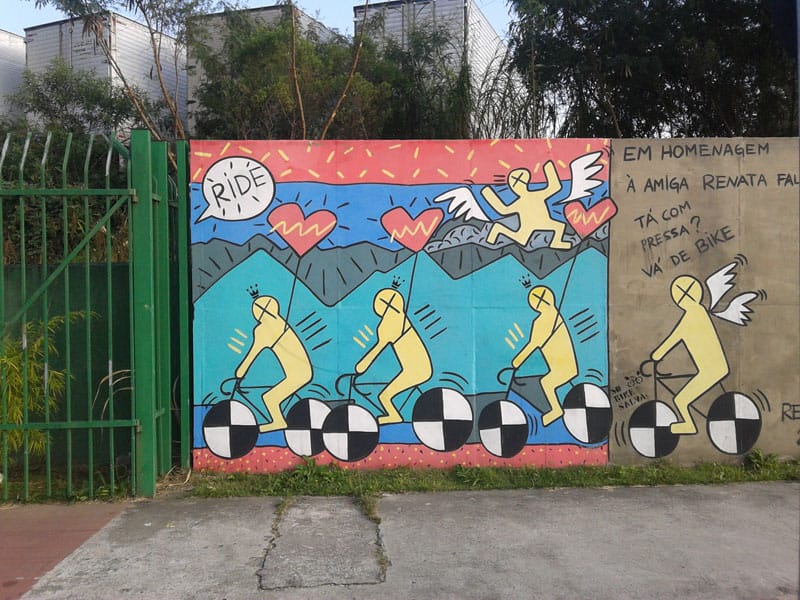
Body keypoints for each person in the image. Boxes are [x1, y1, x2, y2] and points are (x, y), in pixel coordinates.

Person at [651, 275, 729, 435]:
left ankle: (689, 425)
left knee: (680, 399)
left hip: (712, 371)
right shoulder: (700, 311)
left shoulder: (691, 316)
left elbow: (673, 338)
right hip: (715, 369)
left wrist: (656, 356)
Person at [235, 294, 312, 433]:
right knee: (270, 395)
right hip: (303, 371)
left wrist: (239, 373)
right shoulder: (281, 322)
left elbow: (252, 355)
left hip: (299, 375)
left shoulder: (263, 331)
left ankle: (278, 422)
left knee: (269, 398)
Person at [355, 287, 433, 424]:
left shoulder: (390, 325)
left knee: (384, 396)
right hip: (418, 368)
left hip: (417, 370)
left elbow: (377, 350)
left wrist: (361, 367)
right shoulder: (401, 319)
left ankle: (395, 416)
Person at [511, 285, 578, 426]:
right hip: (565, 366)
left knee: (546, 382)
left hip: (565, 367)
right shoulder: (555, 315)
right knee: (546, 381)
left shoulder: (543, 321)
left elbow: (533, 344)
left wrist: (517, 362)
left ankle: (556, 410)